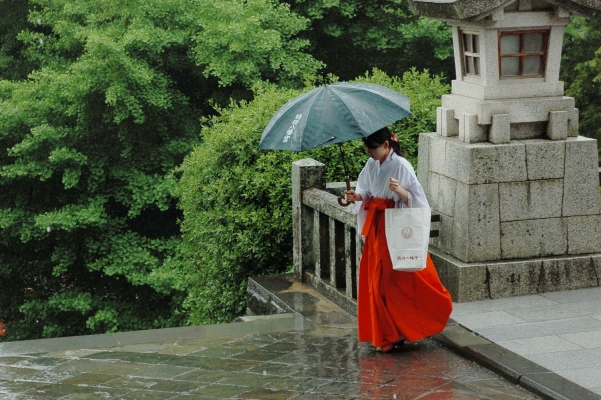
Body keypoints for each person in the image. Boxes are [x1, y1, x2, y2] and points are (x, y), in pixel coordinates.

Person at [344, 127, 453, 352]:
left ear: (386, 145)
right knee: (376, 279)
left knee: (397, 279)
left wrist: (400, 191)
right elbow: (366, 192)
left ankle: (400, 329)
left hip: (394, 225)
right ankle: (387, 333)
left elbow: (419, 201)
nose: (370, 153)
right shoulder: (372, 165)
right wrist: (356, 196)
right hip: (377, 226)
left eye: (373, 148)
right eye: (367, 149)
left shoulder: (402, 165)